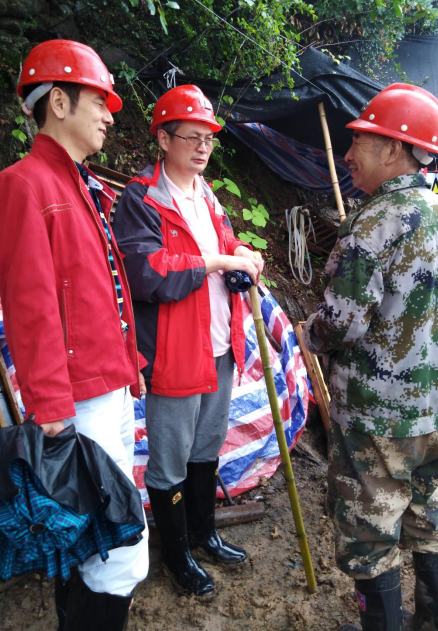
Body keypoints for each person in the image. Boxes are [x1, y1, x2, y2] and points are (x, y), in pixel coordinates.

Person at [0, 40, 149, 631]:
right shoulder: (22, 186)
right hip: (76, 402)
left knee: (87, 541)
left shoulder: (82, 185)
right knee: (122, 555)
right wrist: (51, 410)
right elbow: (32, 310)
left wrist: (129, 368)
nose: (109, 116)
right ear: (57, 101)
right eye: (99, 101)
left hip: (110, 389)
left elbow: (101, 293)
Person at [302, 84, 438, 631]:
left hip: (375, 419)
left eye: (359, 141)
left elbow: (342, 323)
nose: (348, 154)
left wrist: (310, 333)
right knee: (433, 521)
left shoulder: (373, 223)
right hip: (437, 413)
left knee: (370, 536)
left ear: (393, 148)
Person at [112, 84, 264, 599]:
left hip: (220, 345)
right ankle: (176, 554)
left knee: (205, 448)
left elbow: (225, 241)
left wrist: (242, 251)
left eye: (209, 138)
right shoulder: (143, 198)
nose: (203, 147)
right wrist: (219, 261)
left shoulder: (206, 194)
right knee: (170, 459)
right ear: (163, 138)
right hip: (175, 352)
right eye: (191, 137)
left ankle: (205, 534)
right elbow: (147, 273)